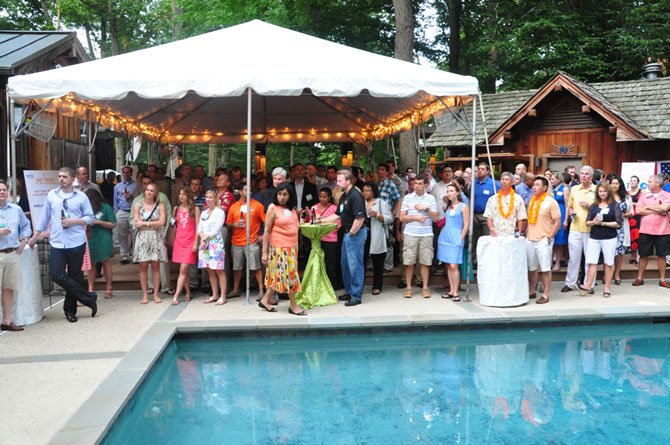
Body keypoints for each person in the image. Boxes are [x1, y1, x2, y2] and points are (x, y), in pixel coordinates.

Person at [28, 167, 97, 322]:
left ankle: (70, 311)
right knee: (56, 274)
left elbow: (90, 218)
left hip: (76, 241)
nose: (61, 179)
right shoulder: (52, 195)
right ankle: (88, 297)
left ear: (73, 179)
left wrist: (74, 221)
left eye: (64, 176)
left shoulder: (81, 197)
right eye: (59, 176)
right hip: (58, 242)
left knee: (75, 275)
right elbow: (44, 216)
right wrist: (36, 235)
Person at [319, 169, 367, 306]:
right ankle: (349, 291)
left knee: (355, 265)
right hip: (347, 234)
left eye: (340, 180)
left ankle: (356, 296)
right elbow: (337, 215)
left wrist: (351, 234)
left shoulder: (356, 195)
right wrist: (319, 221)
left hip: (355, 234)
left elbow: (360, 218)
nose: (337, 182)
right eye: (337, 180)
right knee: (345, 265)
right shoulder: (343, 196)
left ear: (348, 180)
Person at [258, 183, 306, 315]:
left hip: (292, 247)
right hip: (279, 247)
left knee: (277, 276)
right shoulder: (272, 207)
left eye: (285, 194)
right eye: (279, 194)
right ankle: (293, 305)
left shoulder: (293, 209)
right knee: (291, 276)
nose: (281, 197)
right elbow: (266, 231)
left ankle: (265, 300)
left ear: (290, 196)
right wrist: (264, 253)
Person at [578, 183, 623, 297]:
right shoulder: (594, 206)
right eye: (600, 191)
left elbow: (618, 223)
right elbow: (587, 222)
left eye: (604, 191)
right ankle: (588, 285)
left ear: (608, 192)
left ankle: (607, 287)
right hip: (594, 237)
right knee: (591, 262)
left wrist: (603, 223)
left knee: (608, 262)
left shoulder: (615, 205)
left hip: (609, 238)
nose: (602, 193)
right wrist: (594, 222)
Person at [399, 174, 439, 298]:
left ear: (426, 185)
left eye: (420, 183)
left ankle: (425, 287)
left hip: (426, 233)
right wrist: (415, 217)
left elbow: (435, 217)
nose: (417, 186)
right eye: (415, 183)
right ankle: (408, 287)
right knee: (409, 262)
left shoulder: (431, 198)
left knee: (425, 262)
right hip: (410, 233)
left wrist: (426, 209)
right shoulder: (408, 198)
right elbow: (401, 217)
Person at [0, 180, 31, 331]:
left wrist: (24, 240)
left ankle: (6, 321)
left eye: (4, 189)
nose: (2, 192)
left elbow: (26, 225)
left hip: (12, 253)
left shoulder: (16, 209)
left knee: (8, 288)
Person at [525, 177, 561, 304]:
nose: (534, 187)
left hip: (544, 239)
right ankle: (532, 290)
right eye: (533, 185)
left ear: (545, 188)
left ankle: (546, 294)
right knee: (531, 267)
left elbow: (557, 222)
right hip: (530, 238)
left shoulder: (551, 202)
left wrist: (549, 236)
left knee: (545, 268)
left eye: (537, 185)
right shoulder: (532, 201)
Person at [226, 184, 266, 299]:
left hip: (252, 240)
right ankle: (235, 290)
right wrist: (234, 224)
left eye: (250, 190)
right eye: (245, 190)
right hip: (236, 241)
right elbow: (228, 223)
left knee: (256, 267)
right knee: (237, 268)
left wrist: (262, 235)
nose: (248, 192)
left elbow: (266, 221)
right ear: (239, 191)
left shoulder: (258, 205)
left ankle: (261, 290)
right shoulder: (234, 206)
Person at [562, 166, 597, 293]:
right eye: (581, 173)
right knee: (573, 258)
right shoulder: (574, 189)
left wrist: (590, 207)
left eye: (586, 174)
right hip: (575, 227)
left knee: (590, 258)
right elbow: (569, 206)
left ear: (591, 177)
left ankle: (589, 284)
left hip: (591, 229)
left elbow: (602, 208)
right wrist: (571, 212)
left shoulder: (597, 190)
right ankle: (570, 283)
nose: (583, 176)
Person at [632, 174, 670, 288]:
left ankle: (662, 280)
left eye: (650, 181)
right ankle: (640, 278)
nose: (647, 183)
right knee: (643, 255)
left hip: (663, 231)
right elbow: (638, 210)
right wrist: (657, 210)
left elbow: (664, 208)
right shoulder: (644, 196)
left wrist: (648, 207)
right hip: (645, 230)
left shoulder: (667, 195)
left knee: (662, 255)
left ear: (657, 184)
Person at [133, 183, 167, 304]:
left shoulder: (160, 205)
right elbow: (137, 222)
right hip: (142, 237)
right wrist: (153, 223)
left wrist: (145, 223)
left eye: (151, 190)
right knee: (143, 267)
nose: (149, 192)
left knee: (156, 266)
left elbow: (162, 222)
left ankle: (156, 294)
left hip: (155, 237)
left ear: (155, 193)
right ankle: (145, 294)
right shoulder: (138, 205)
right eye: (147, 190)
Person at [437, 182, 469, 302]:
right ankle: (451, 289)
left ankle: (456, 290)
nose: (449, 193)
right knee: (448, 265)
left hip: (456, 235)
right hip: (445, 236)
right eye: (448, 191)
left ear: (457, 193)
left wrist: (461, 237)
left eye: (451, 191)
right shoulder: (448, 206)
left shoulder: (463, 206)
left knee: (454, 265)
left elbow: (466, 224)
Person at [84, 189, 116, 299]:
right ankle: (90, 288)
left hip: (103, 237)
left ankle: (109, 288)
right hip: (90, 237)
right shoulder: (85, 208)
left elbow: (113, 224)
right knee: (91, 263)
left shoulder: (106, 207)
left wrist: (99, 222)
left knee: (105, 261)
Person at [362, 183, 393, 295]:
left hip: (377, 234)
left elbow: (390, 219)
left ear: (373, 191)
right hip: (362, 235)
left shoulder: (381, 203)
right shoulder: (360, 203)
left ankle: (377, 285)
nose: (365, 192)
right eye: (364, 190)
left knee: (378, 262)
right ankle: (359, 286)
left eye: (368, 190)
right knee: (361, 261)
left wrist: (377, 215)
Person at [170, 187, 199, 305]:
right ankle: (187, 292)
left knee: (183, 269)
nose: (181, 196)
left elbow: (198, 227)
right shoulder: (176, 209)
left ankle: (176, 295)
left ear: (189, 196)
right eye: (180, 194)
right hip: (179, 241)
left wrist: (196, 242)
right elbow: (173, 225)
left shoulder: (195, 209)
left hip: (190, 241)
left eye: (184, 194)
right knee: (184, 270)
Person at [198, 189, 227, 305]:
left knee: (218, 269)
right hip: (204, 243)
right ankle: (215, 294)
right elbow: (199, 227)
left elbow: (217, 228)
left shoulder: (219, 212)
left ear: (215, 199)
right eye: (207, 197)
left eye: (210, 197)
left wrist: (206, 237)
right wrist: (202, 237)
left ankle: (223, 295)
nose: (208, 199)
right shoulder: (204, 213)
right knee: (209, 269)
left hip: (215, 243)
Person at [310, 187, 342, 291]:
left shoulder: (334, 208)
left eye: (325, 197)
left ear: (329, 197)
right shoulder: (314, 207)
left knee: (330, 264)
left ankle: (331, 286)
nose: (322, 199)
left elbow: (338, 224)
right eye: (320, 197)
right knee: (318, 263)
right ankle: (319, 286)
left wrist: (323, 222)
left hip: (331, 240)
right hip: (318, 240)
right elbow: (311, 222)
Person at [484, 171, 527, 237]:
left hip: (511, 234)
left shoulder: (518, 199)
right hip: (496, 234)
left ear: (512, 182)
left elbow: (521, 218)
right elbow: (489, 216)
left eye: (507, 180)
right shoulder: (492, 199)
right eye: (502, 179)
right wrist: (491, 228)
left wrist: (519, 233)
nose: (504, 181)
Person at [472, 163, 500, 261]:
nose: (479, 171)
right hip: (474, 215)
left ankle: (487, 259)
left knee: (487, 238)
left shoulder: (495, 184)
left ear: (488, 171)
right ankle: (475, 260)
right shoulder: (473, 183)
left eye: (482, 169)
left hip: (487, 216)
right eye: (478, 169)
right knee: (475, 239)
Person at [609, 176, 633, 285]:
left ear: (620, 185)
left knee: (619, 253)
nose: (614, 186)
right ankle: (608, 274)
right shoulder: (606, 196)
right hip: (609, 227)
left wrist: (627, 214)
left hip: (622, 228)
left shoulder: (627, 197)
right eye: (612, 183)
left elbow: (632, 211)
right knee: (608, 252)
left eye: (616, 183)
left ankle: (617, 274)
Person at [113, 166, 136, 264]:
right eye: (124, 172)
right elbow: (115, 200)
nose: (126, 174)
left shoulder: (136, 185)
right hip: (122, 211)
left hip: (134, 211)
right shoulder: (117, 186)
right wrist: (116, 211)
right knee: (122, 235)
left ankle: (136, 255)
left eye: (128, 172)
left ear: (131, 173)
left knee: (135, 234)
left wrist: (131, 196)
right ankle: (124, 256)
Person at [550, 172, 569, 271]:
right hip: (552, 216)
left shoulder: (564, 189)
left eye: (553, 179)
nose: (551, 181)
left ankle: (557, 263)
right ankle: (550, 262)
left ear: (558, 179)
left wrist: (565, 220)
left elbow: (567, 206)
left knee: (559, 241)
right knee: (552, 239)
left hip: (561, 215)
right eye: (550, 179)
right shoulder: (551, 189)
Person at [627, 175, 642, 264]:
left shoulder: (641, 192)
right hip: (629, 216)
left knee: (637, 235)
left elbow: (642, 203)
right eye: (631, 180)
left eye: (634, 181)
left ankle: (638, 255)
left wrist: (631, 203)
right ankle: (632, 255)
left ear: (637, 182)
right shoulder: (626, 193)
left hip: (637, 216)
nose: (632, 182)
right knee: (630, 235)